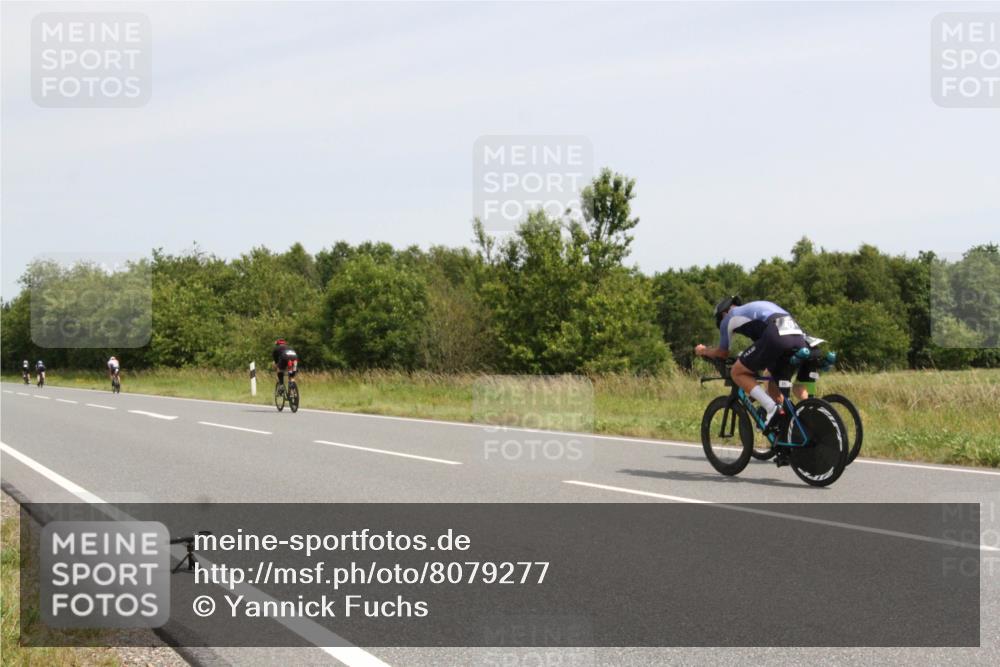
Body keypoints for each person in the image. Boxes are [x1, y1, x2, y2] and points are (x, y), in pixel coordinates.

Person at [695, 297, 808, 431]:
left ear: (723, 314)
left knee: (737, 372)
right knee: (771, 378)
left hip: (776, 335)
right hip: (798, 337)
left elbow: (722, 353)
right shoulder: (757, 307)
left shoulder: (728, 318)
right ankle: (790, 428)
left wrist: (704, 351)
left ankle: (771, 408)